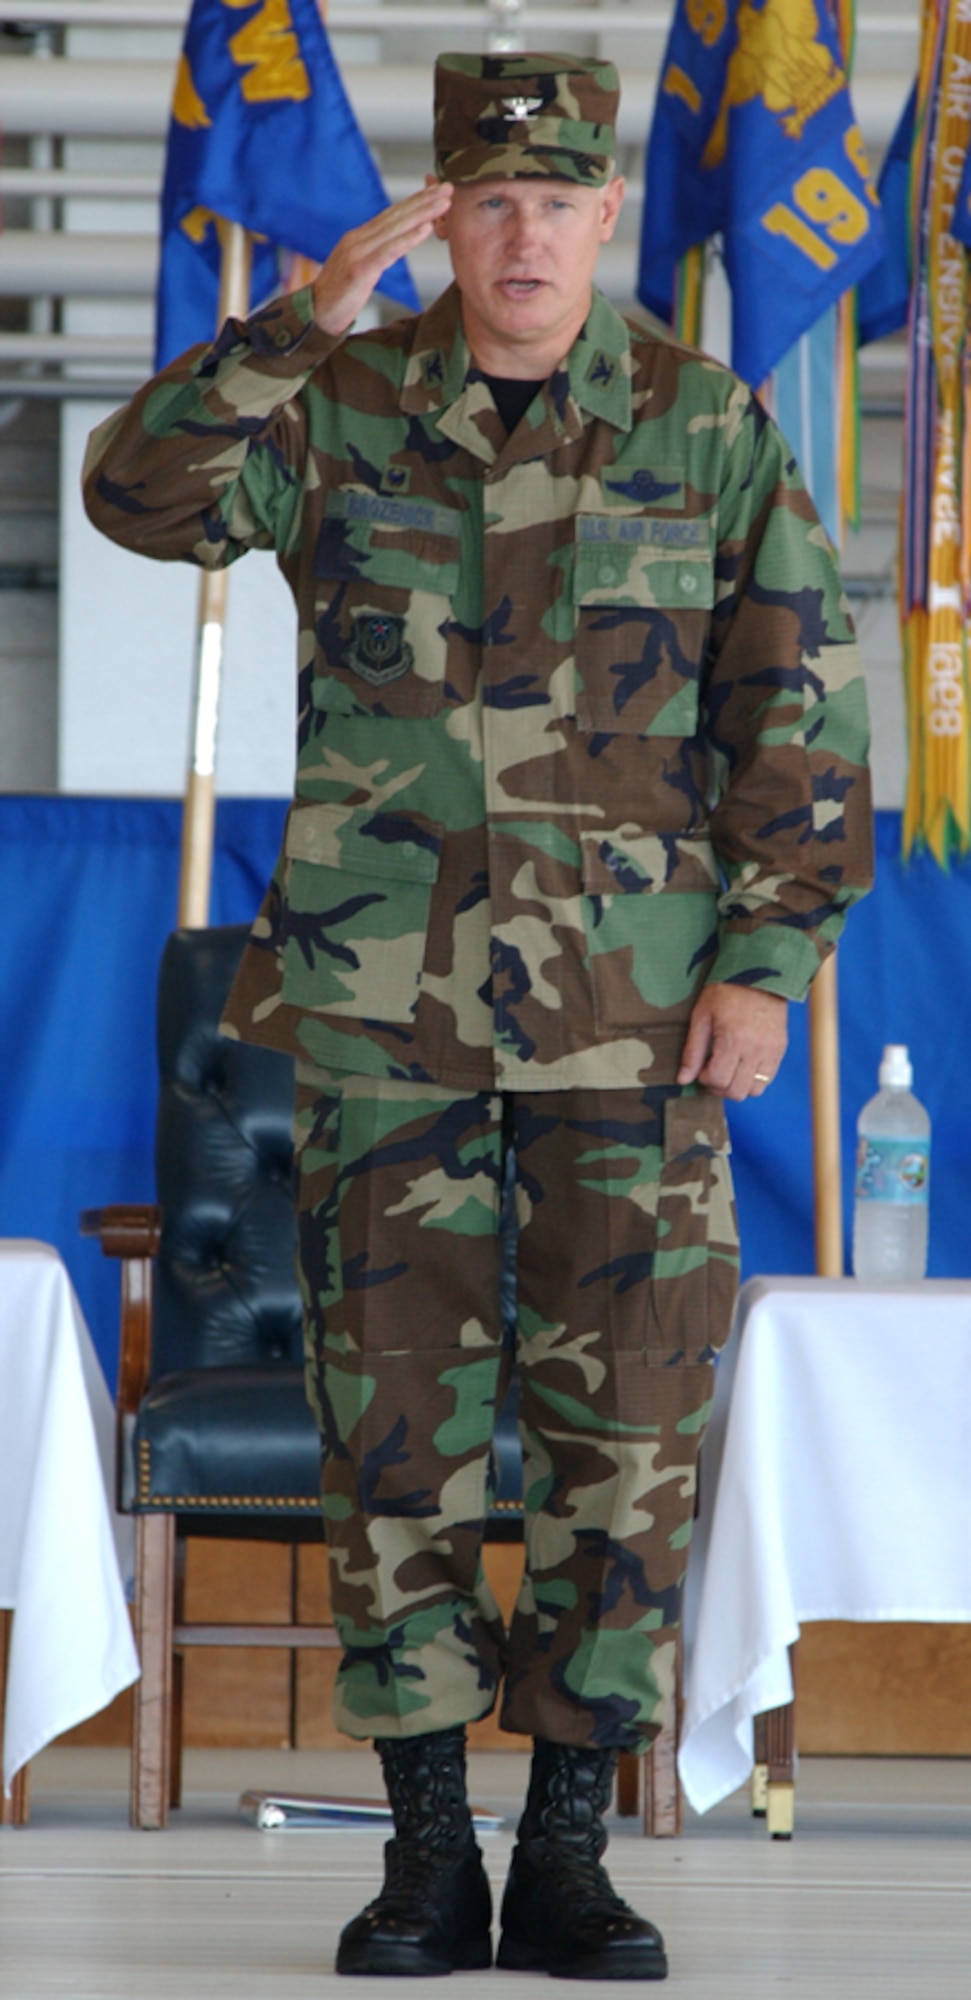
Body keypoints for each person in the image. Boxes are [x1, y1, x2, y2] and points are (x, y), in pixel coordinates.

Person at [83, 49, 873, 1982]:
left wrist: (770, 965)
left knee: (630, 1439)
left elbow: (801, 718)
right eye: (488, 202)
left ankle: (574, 1851)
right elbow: (135, 497)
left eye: (558, 201)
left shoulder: (709, 429)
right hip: (383, 1023)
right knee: (396, 1435)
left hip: (641, 1029)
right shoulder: (337, 402)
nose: (524, 236)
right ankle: (428, 1848)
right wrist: (302, 310)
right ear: (446, 217)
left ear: (611, 218)